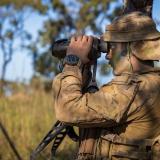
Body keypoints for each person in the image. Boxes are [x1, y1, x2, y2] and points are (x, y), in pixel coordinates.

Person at [52, 11, 160, 160]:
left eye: (112, 46)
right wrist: (83, 68)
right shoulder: (152, 82)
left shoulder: (134, 89)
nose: (108, 55)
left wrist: (72, 61)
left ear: (131, 47)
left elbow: (68, 109)